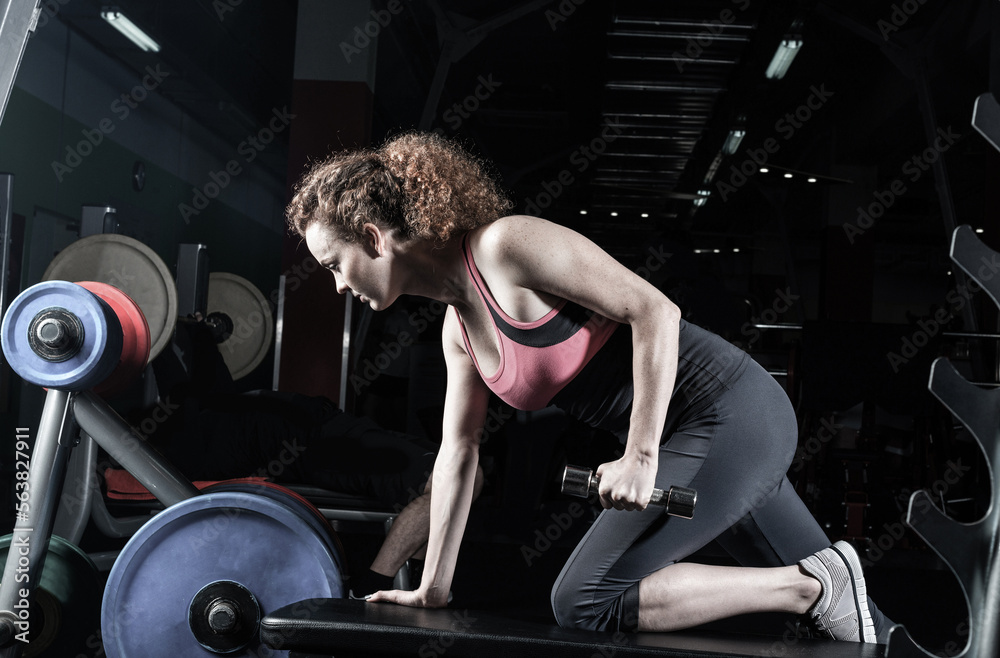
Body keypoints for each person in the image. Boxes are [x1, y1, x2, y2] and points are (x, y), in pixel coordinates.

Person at [285, 131, 893, 643]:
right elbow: (459, 454)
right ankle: (828, 589)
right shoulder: (457, 331)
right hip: (698, 442)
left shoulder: (505, 247)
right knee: (854, 630)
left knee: (584, 600)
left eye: (335, 264)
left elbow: (655, 312)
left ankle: (808, 586)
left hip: (730, 412)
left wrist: (640, 455)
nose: (338, 286)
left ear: (371, 236)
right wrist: (434, 586)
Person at [129, 313, 484, 599]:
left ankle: (375, 583)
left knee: (199, 410)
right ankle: (371, 584)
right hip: (292, 427)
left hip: (281, 430)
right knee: (458, 478)